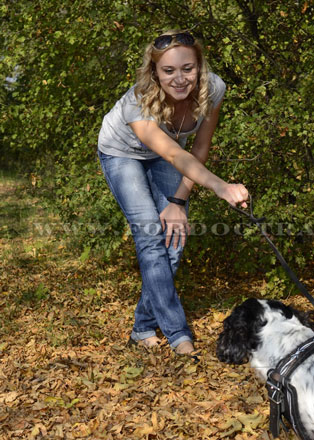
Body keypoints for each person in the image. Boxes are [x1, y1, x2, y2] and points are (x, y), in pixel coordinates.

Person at [98, 30, 248, 358]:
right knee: (151, 236)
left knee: (175, 238)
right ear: (155, 73)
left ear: (200, 66)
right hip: (121, 153)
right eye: (168, 71)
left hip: (170, 154)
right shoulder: (139, 100)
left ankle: (142, 327)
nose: (180, 79)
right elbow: (174, 155)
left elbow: (200, 147)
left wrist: (179, 202)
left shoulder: (214, 89)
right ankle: (178, 334)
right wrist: (221, 187)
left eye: (188, 68)